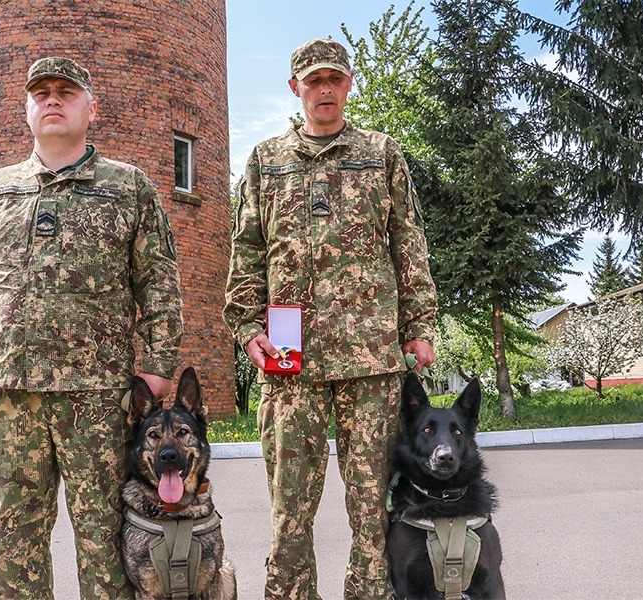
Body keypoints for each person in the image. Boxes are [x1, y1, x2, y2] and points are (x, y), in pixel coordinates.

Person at [0, 56, 183, 600]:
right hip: (10, 394)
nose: (52, 99)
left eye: (66, 91)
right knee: (15, 539)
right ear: (26, 109)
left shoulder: (128, 187)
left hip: (96, 395)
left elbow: (159, 281)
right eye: (40, 92)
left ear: (91, 108)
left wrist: (160, 366)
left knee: (105, 543)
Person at [223, 38, 437, 599]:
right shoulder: (266, 160)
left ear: (347, 85)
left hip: (370, 357)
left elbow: (408, 241)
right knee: (290, 504)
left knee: (372, 501)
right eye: (313, 80)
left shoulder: (380, 152)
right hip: (290, 362)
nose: (324, 89)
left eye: (334, 80)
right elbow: (246, 250)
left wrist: (420, 326)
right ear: (296, 88)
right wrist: (247, 327)